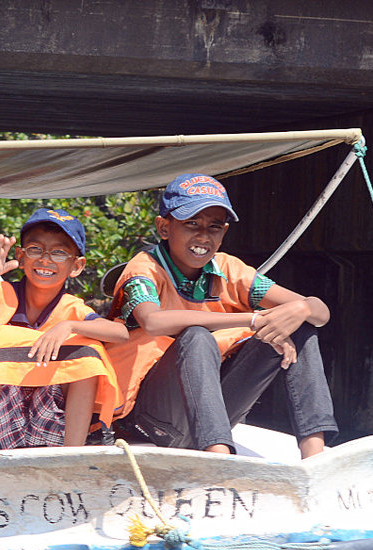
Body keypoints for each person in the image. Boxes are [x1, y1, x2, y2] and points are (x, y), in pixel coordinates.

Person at [108, 173, 337, 458]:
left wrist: (302, 308)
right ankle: (220, 457)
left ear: (224, 232)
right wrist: (251, 320)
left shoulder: (228, 268)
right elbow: (152, 321)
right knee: (196, 337)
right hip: (147, 419)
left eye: (214, 227)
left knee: (299, 328)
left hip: (205, 414)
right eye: (191, 224)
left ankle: (315, 456)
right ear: (164, 228)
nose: (203, 236)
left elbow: (320, 313)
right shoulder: (144, 269)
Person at [0, 208, 128, 451]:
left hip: (48, 417)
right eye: (35, 249)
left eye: (59, 253)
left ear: (77, 266)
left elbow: (121, 334)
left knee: (89, 354)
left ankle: (73, 456)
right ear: (20, 256)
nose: (45, 260)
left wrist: (68, 326)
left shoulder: (72, 308)